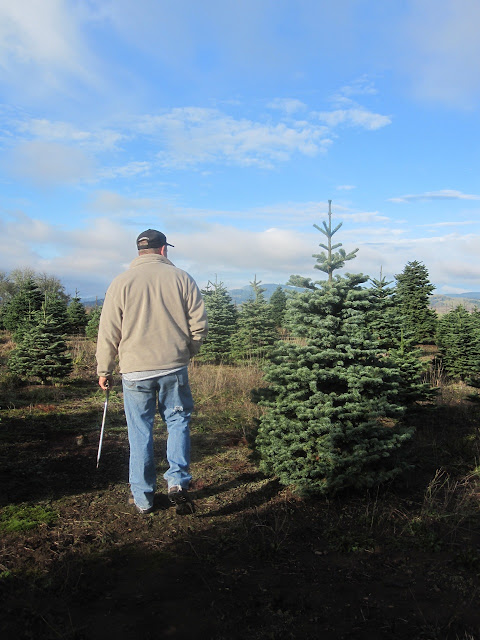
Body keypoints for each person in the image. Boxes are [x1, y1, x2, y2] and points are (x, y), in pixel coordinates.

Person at [96, 229, 208, 514]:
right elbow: (199, 324)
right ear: (163, 249)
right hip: (174, 367)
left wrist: (104, 369)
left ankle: (143, 498)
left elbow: (108, 331)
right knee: (178, 422)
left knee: (140, 431)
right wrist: (187, 351)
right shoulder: (182, 278)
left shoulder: (121, 282)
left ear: (139, 251)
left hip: (135, 371)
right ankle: (177, 483)